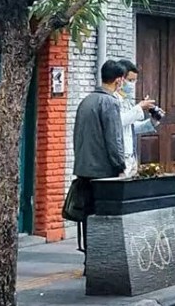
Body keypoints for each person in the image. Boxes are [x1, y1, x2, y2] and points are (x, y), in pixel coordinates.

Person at [71, 60, 129, 251]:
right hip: (103, 172)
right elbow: (114, 140)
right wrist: (120, 166)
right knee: (104, 218)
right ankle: (101, 259)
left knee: (88, 217)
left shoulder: (86, 101)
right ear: (119, 80)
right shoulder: (109, 102)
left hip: (84, 169)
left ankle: (90, 258)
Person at [115, 60, 159, 177]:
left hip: (131, 155)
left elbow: (132, 127)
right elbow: (119, 122)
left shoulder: (127, 100)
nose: (132, 84)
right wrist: (139, 107)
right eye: (130, 80)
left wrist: (152, 121)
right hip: (118, 157)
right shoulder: (112, 99)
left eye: (134, 80)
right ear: (120, 79)